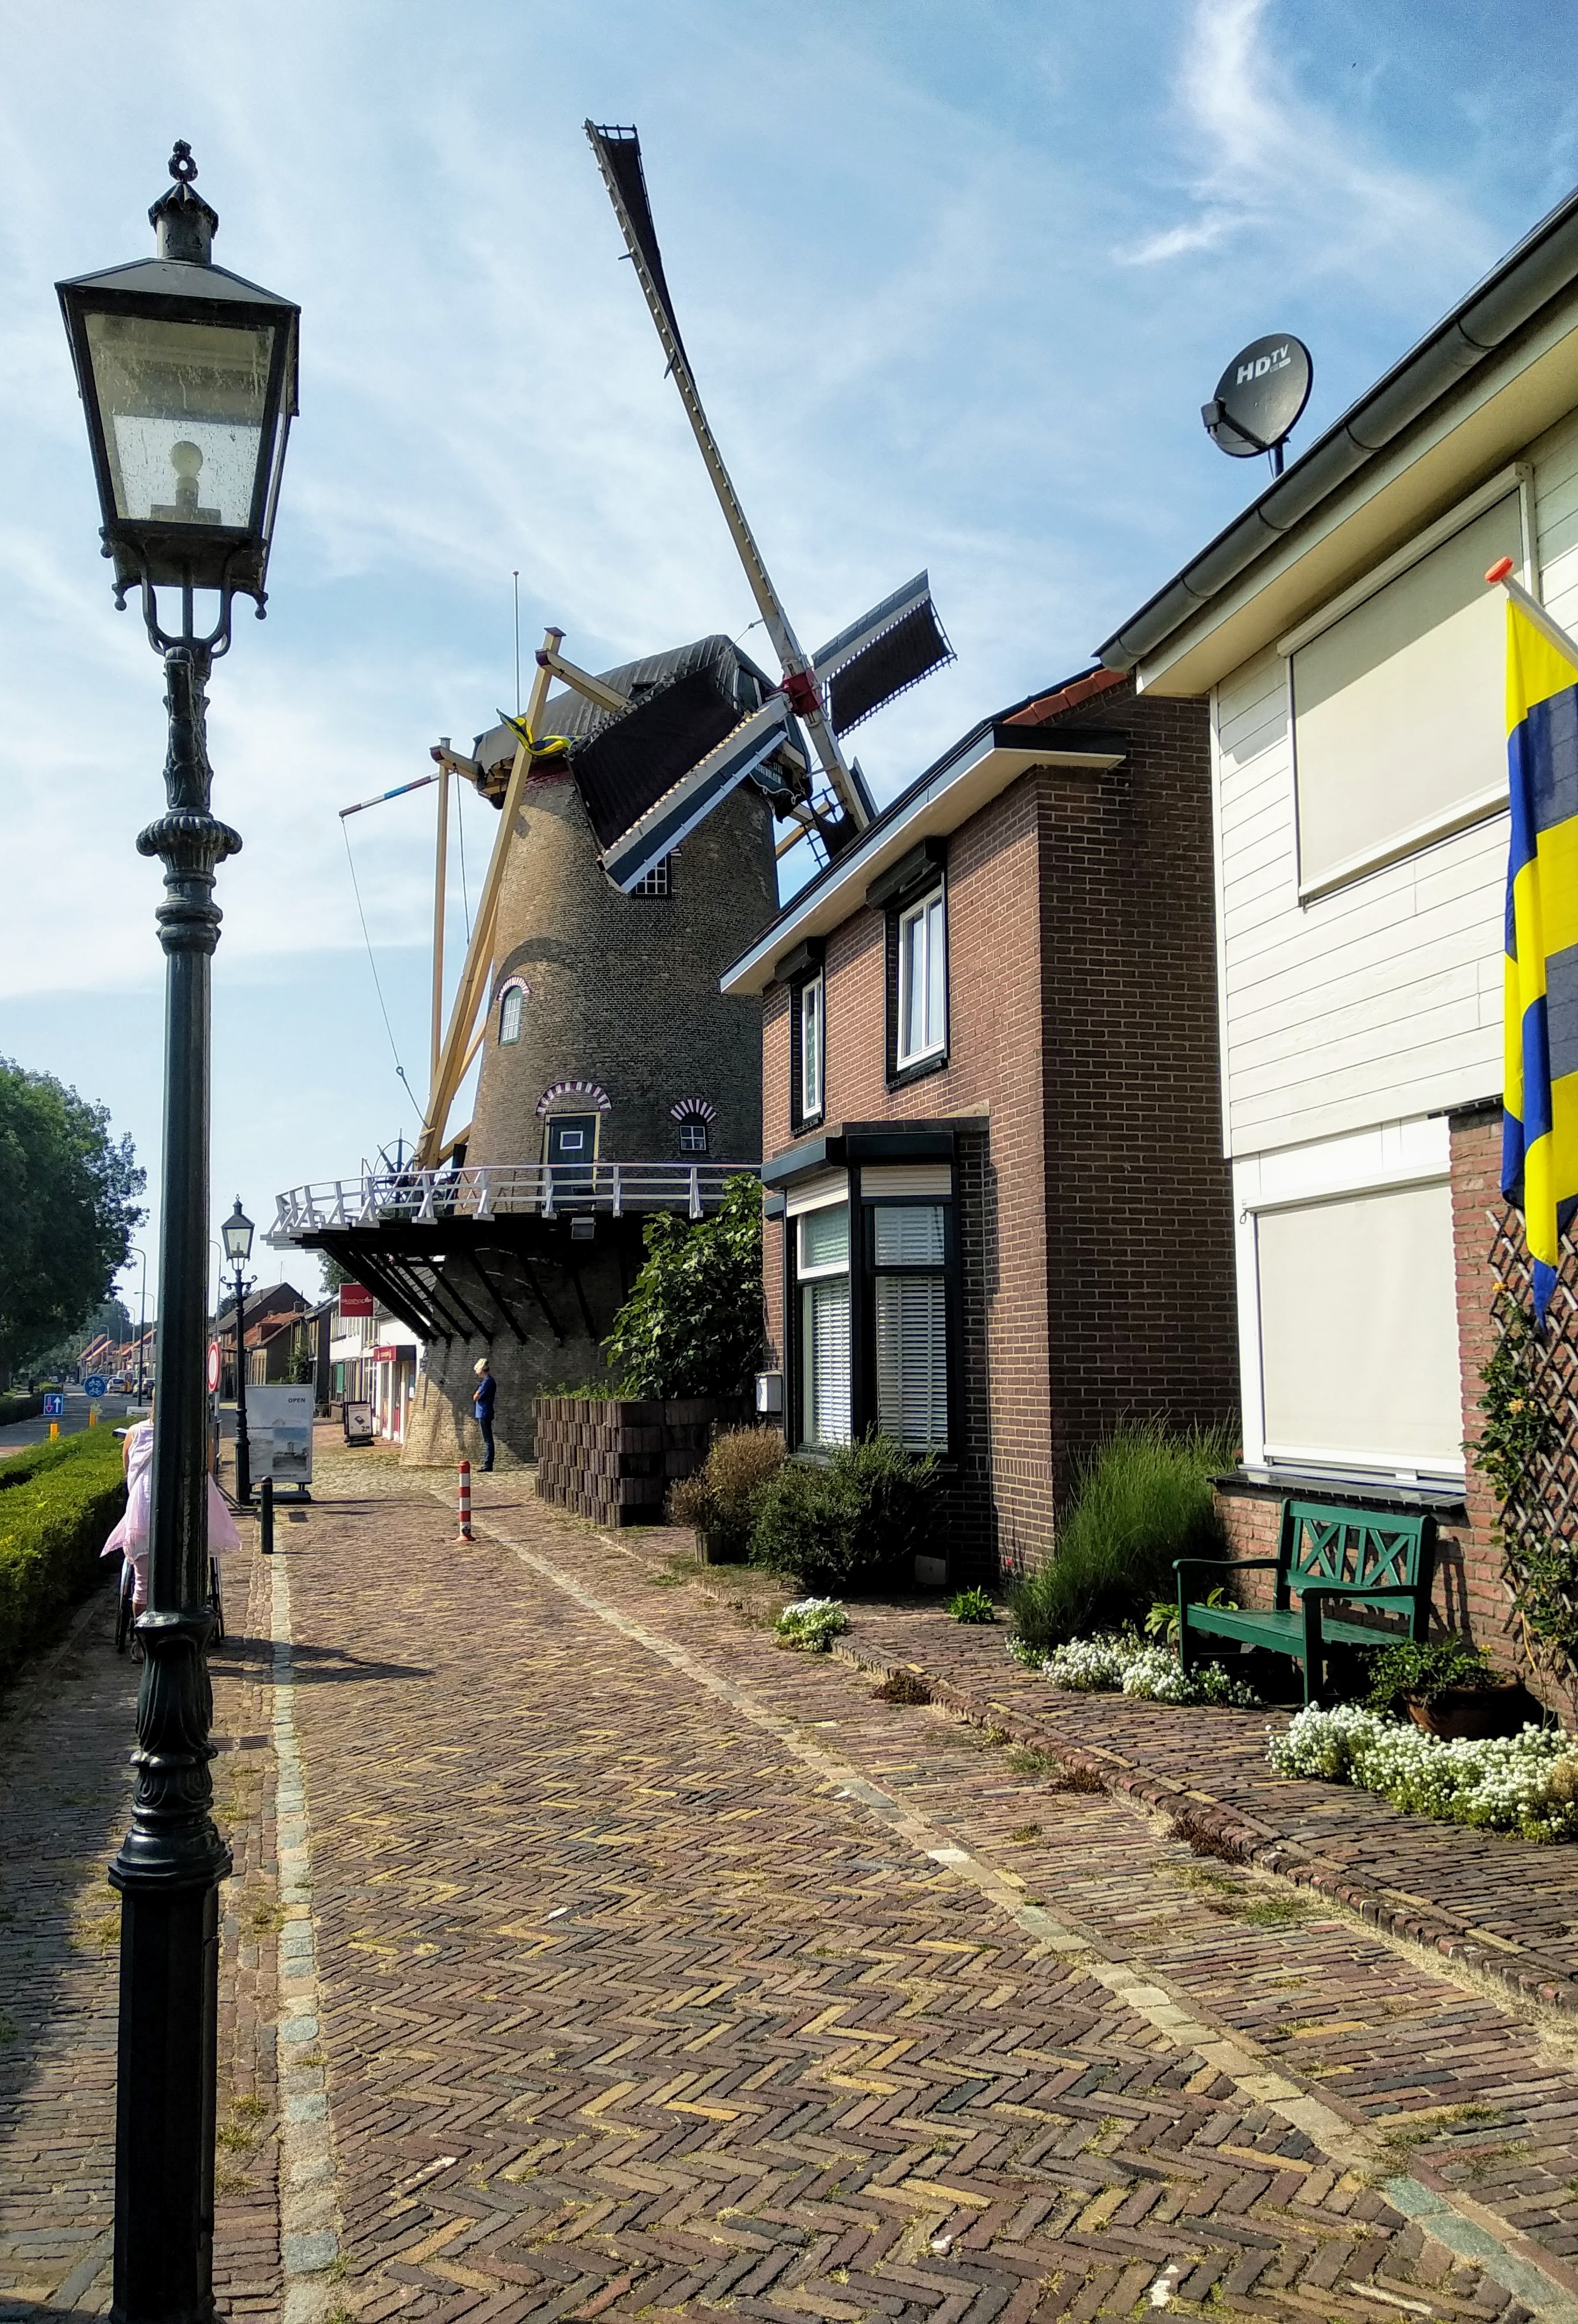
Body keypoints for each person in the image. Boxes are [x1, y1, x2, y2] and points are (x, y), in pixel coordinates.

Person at [101, 1401, 242, 1623]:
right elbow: (208, 1472)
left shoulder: (134, 1433)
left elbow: (129, 1474)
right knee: (191, 1577)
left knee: (143, 1584)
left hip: (143, 1516)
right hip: (188, 1519)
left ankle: (141, 1642)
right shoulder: (199, 1434)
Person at [472, 1357, 497, 1472]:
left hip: (484, 1413)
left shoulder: (487, 1382)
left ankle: (488, 1464)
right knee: (488, 1439)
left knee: (488, 1440)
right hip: (484, 1412)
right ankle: (487, 1463)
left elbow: (476, 1397)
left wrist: (477, 1394)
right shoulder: (487, 1382)